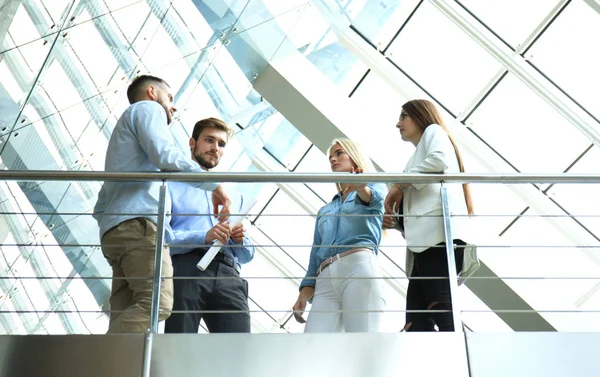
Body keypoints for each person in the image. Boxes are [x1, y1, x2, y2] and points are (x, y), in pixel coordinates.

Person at [93, 75, 231, 333]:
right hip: (137, 227)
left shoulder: (125, 136)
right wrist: (214, 184)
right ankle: (92, 364)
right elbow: (164, 154)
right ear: (152, 92)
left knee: (127, 308)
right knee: (158, 302)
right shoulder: (148, 108)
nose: (173, 107)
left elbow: (101, 203)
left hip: (116, 230)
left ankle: (110, 365)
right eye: (170, 98)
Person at [383, 99, 474, 332]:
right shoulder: (414, 160)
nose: (397, 123)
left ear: (420, 116)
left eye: (404, 116)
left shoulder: (434, 131)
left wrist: (398, 186)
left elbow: (439, 161)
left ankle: (464, 364)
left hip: (438, 240)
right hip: (426, 243)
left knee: (440, 308)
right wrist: (395, 223)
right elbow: (420, 207)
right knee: (416, 321)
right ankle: (436, 365)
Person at [165, 118, 255, 333]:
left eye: (221, 144)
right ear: (192, 143)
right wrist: (203, 236)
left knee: (239, 347)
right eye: (209, 140)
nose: (215, 148)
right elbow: (161, 238)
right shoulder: (170, 184)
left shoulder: (234, 194)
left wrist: (240, 239)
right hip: (186, 269)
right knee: (179, 342)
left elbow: (247, 255)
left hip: (229, 273)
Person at [292, 138, 387, 332]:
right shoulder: (326, 209)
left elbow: (375, 201)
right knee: (313, 345)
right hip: (325, 278)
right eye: (330, 157)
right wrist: (304, 291)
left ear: (354, 156)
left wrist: (360, 186)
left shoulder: (374, 185)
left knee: (361, 339)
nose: (333, 160)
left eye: (339, 153)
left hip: (357, 268)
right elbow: (315, 254)